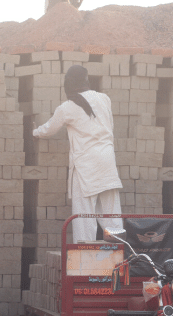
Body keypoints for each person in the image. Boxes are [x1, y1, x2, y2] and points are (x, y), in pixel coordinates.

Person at [33, 65, 123, 243]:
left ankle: (84, 258)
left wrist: (35, 132)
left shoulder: (67, 107)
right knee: (112, 216)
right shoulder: (104, 99)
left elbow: (50, 128)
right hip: (107, 163)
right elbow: (109, 127)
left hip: (85, 167)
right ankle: (118, 254)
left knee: (84, 217)